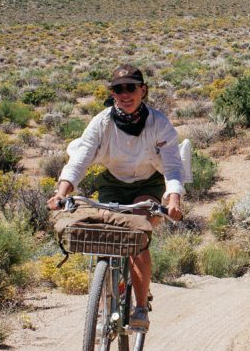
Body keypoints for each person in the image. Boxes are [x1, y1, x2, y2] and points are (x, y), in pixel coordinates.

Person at [47, 65, 184, 329]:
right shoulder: (102, 122)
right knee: (104, 233)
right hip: (114, 183)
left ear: (142, 90)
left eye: (131, 87)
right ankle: (101, 305)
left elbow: (172, 165)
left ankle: (141, 308)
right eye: (118, 89)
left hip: (149, 183)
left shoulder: (158, 124)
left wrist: (173, 199)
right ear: (112, 93)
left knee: (137, 230)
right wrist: (61, 193)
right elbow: (80, 159)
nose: (125, 94)